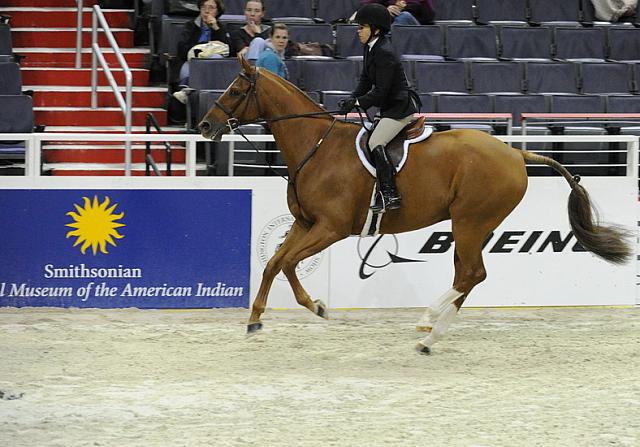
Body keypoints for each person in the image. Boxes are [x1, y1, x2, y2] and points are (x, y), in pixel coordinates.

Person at [339, 3, 421, 212]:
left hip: (399, 108)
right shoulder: (371, 47)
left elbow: (381, 92)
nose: (358, 31)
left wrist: (357, 103)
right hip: (388, 107)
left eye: (362, 27)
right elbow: (366, 81)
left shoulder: (385, 52)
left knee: (376, 141)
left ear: (375, 28)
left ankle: (390, 193)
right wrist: (351, 98)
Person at [173, 0, 230, 104]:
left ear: (217, 11)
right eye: (203, 7)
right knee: (186, 71)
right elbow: (181, 50)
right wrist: (207, 44)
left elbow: (230, 50)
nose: (206, 11)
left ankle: (188, 89)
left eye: (211, 8)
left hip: (214, 67)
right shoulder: (190, 26)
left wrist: (216, 28)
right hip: (192, 61)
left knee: (216, 58)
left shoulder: (221, 28)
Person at [354, 0, 435, 25]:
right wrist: (384, 10)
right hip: (387, 24)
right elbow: (365, 7)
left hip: (413, 31)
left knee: (404, 16)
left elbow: (429, 17)